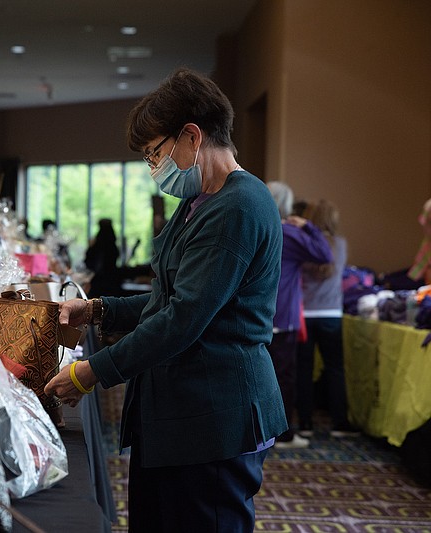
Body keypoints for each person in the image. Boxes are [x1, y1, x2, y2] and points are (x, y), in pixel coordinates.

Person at [44, 68, 288, 532]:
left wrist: (90, 372)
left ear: (192, 137)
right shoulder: (202, 200)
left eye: (154, 153)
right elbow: (166, 297)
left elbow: (183, 318)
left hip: (214, 416)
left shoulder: (238, 206)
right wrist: (97, 309)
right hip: (183, 414)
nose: (153, 167)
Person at [266, 182, 333, 449]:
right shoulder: (288, 233)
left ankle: (260, 430)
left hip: (257, 314)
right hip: (283, 316)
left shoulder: (256, 225)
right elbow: (324, 254)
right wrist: (308, 226)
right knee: (284, 377)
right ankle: (282, 433)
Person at [296, 199, 359, 438]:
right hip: (332, 314)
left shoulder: (304, 244)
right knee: (335, 369)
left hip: (306, 313)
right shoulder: (340, 245)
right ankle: (339, 423)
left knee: (304, 368)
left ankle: (304, 423)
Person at [83, 218, 122, 298]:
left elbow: (88, 261)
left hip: (98, 282)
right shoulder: (112, 245)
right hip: (112, 281)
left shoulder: (96, 244)